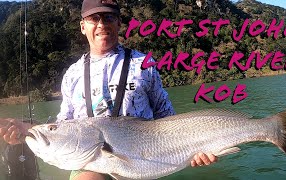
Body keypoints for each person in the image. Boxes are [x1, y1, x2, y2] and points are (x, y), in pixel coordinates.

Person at [0, 0, 218, 179]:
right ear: (82, 26)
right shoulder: (72, 75)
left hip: (146, 160)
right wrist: (27, 131)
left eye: (109, 17)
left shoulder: (144, 64)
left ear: (119, 23)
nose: (102, 24)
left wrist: (194, 148)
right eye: (94, 18)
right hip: (90, 162)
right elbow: (63, 125)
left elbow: (166, 115)